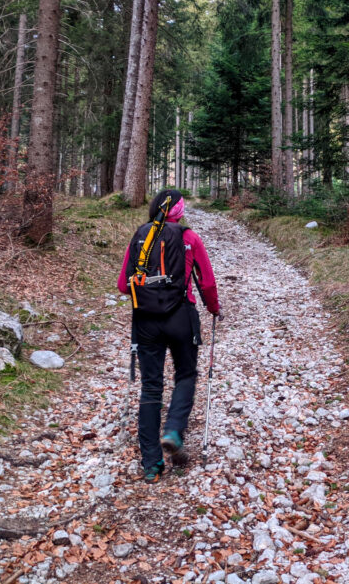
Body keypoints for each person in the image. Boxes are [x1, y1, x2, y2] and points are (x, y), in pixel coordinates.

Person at [117, 189, 221, 483]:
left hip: (146, 320)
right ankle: (174, 430)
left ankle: (151, 464)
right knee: (186, 374)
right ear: (179, 211)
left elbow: (124, 285)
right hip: (181, 317)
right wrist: (214, 309)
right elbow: (208, 282)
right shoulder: (189, 238)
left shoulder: (140, 235)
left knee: (151, 387)